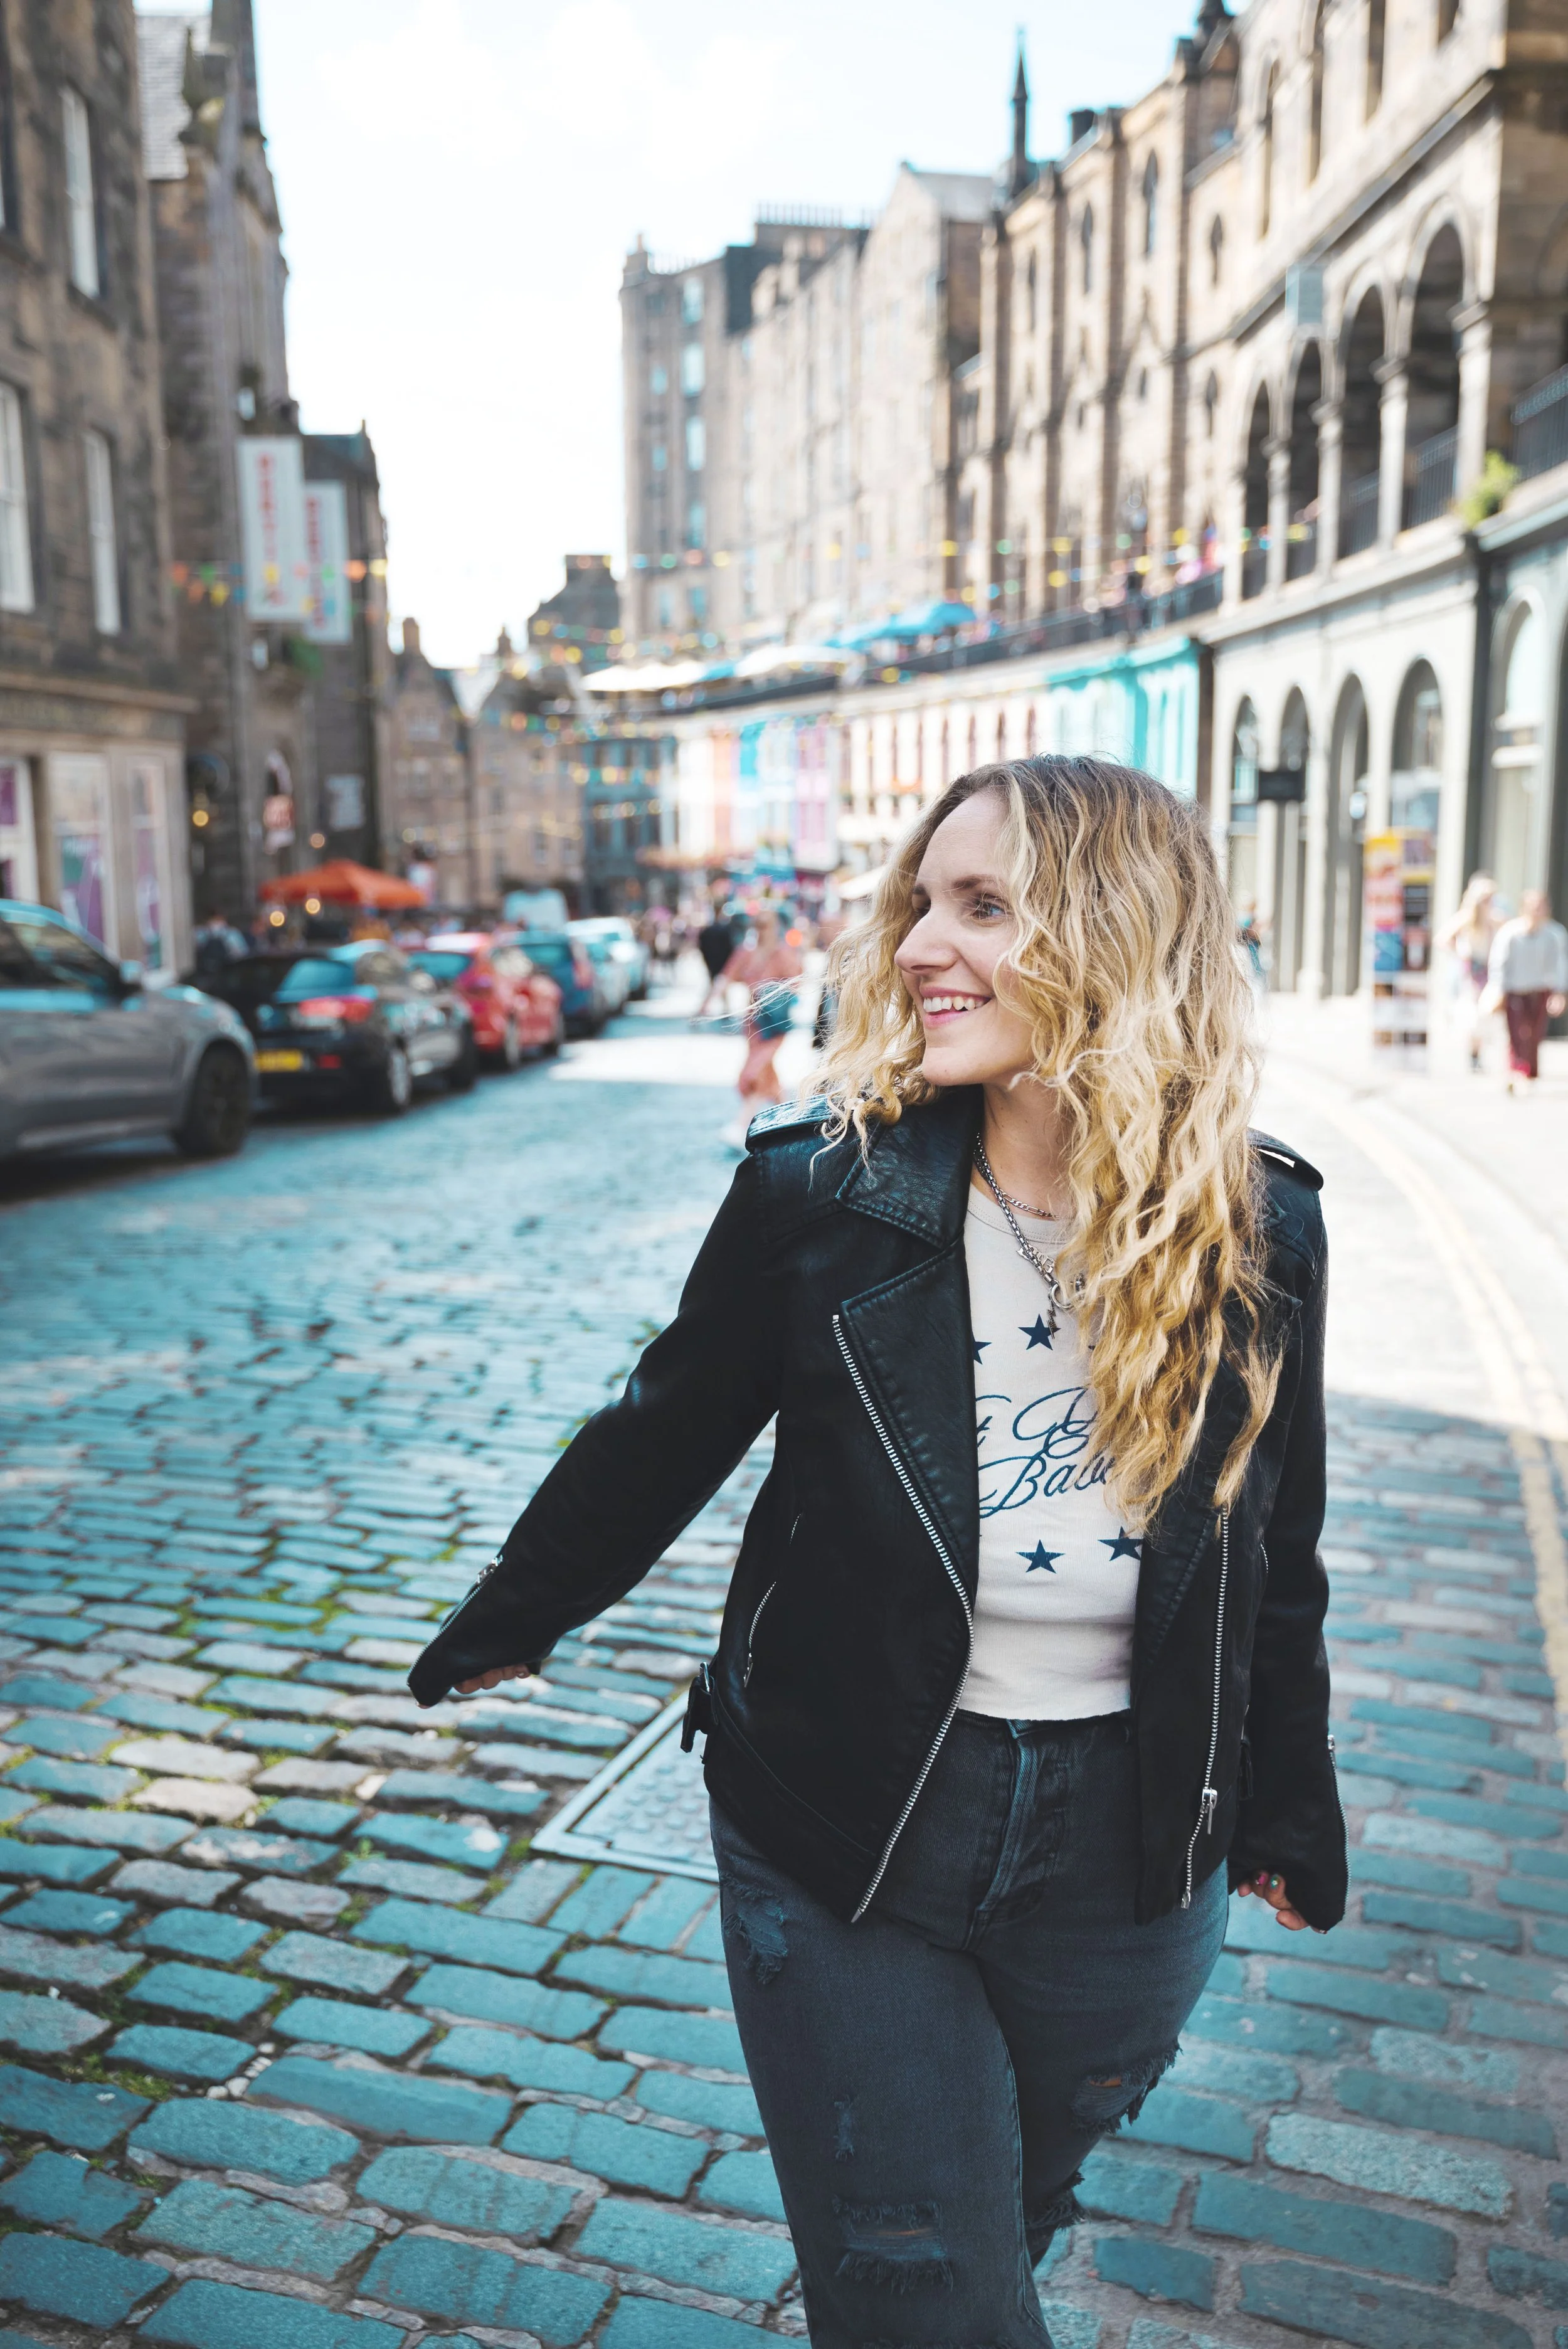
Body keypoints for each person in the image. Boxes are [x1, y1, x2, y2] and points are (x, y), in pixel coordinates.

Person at [408, 755, 1343, 2348]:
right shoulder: (819, 1198)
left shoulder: (1257, 1230)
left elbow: (1278, 1547)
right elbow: (663, 1427)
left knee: (990, 2224)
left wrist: (1283, 1792)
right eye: (921, 899)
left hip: (1130, 1854)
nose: (920, 941)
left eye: (983, 906)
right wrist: (525, 1609)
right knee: (922, 2281)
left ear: (1117, 937)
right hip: (851, 1823)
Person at [715, 904, 803, 1141]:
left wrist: (771, 991)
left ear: (775, 927)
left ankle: (741, 1124)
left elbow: (797, 982)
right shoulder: (746, 952)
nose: (762, 930)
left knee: (754, 1072)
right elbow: (726, 976)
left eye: (766, 925)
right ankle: (792, 1123)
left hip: (774, 1023)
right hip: (753, 1024)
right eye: (758, 925)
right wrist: (705, 1007)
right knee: (767, 1074)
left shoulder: (783, 952)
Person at [1485, 886, 1568, 1090]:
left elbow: (1560, 964)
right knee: (1517, 1033)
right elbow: (1499, 963)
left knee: (1535, 1033)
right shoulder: (1510, 933)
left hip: (1540, 990)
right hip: (1515, 990)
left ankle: (1529, 1072)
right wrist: (1498, 990)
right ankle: (1516, 1071)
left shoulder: (1555, 934)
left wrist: (1560, 992)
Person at [1437, 871, 1500, 1073]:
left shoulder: (1495, 918)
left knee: (1485, 1013)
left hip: (1489, 972)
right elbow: (1442, 939)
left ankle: (1478, 1053)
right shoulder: (1465, 918)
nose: (1488, 902)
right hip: (1471, 973)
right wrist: (1460, 953)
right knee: (1473, 1014)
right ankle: (1474, 1055)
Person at [193, 911, 247, 975]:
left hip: (227, 971)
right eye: (214, 920)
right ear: (208, 920)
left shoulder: (233, 934)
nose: (216, 923)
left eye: (219, 920)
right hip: (204, 970)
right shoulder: (200, 932)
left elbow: (242, 954)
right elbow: (192, 949)